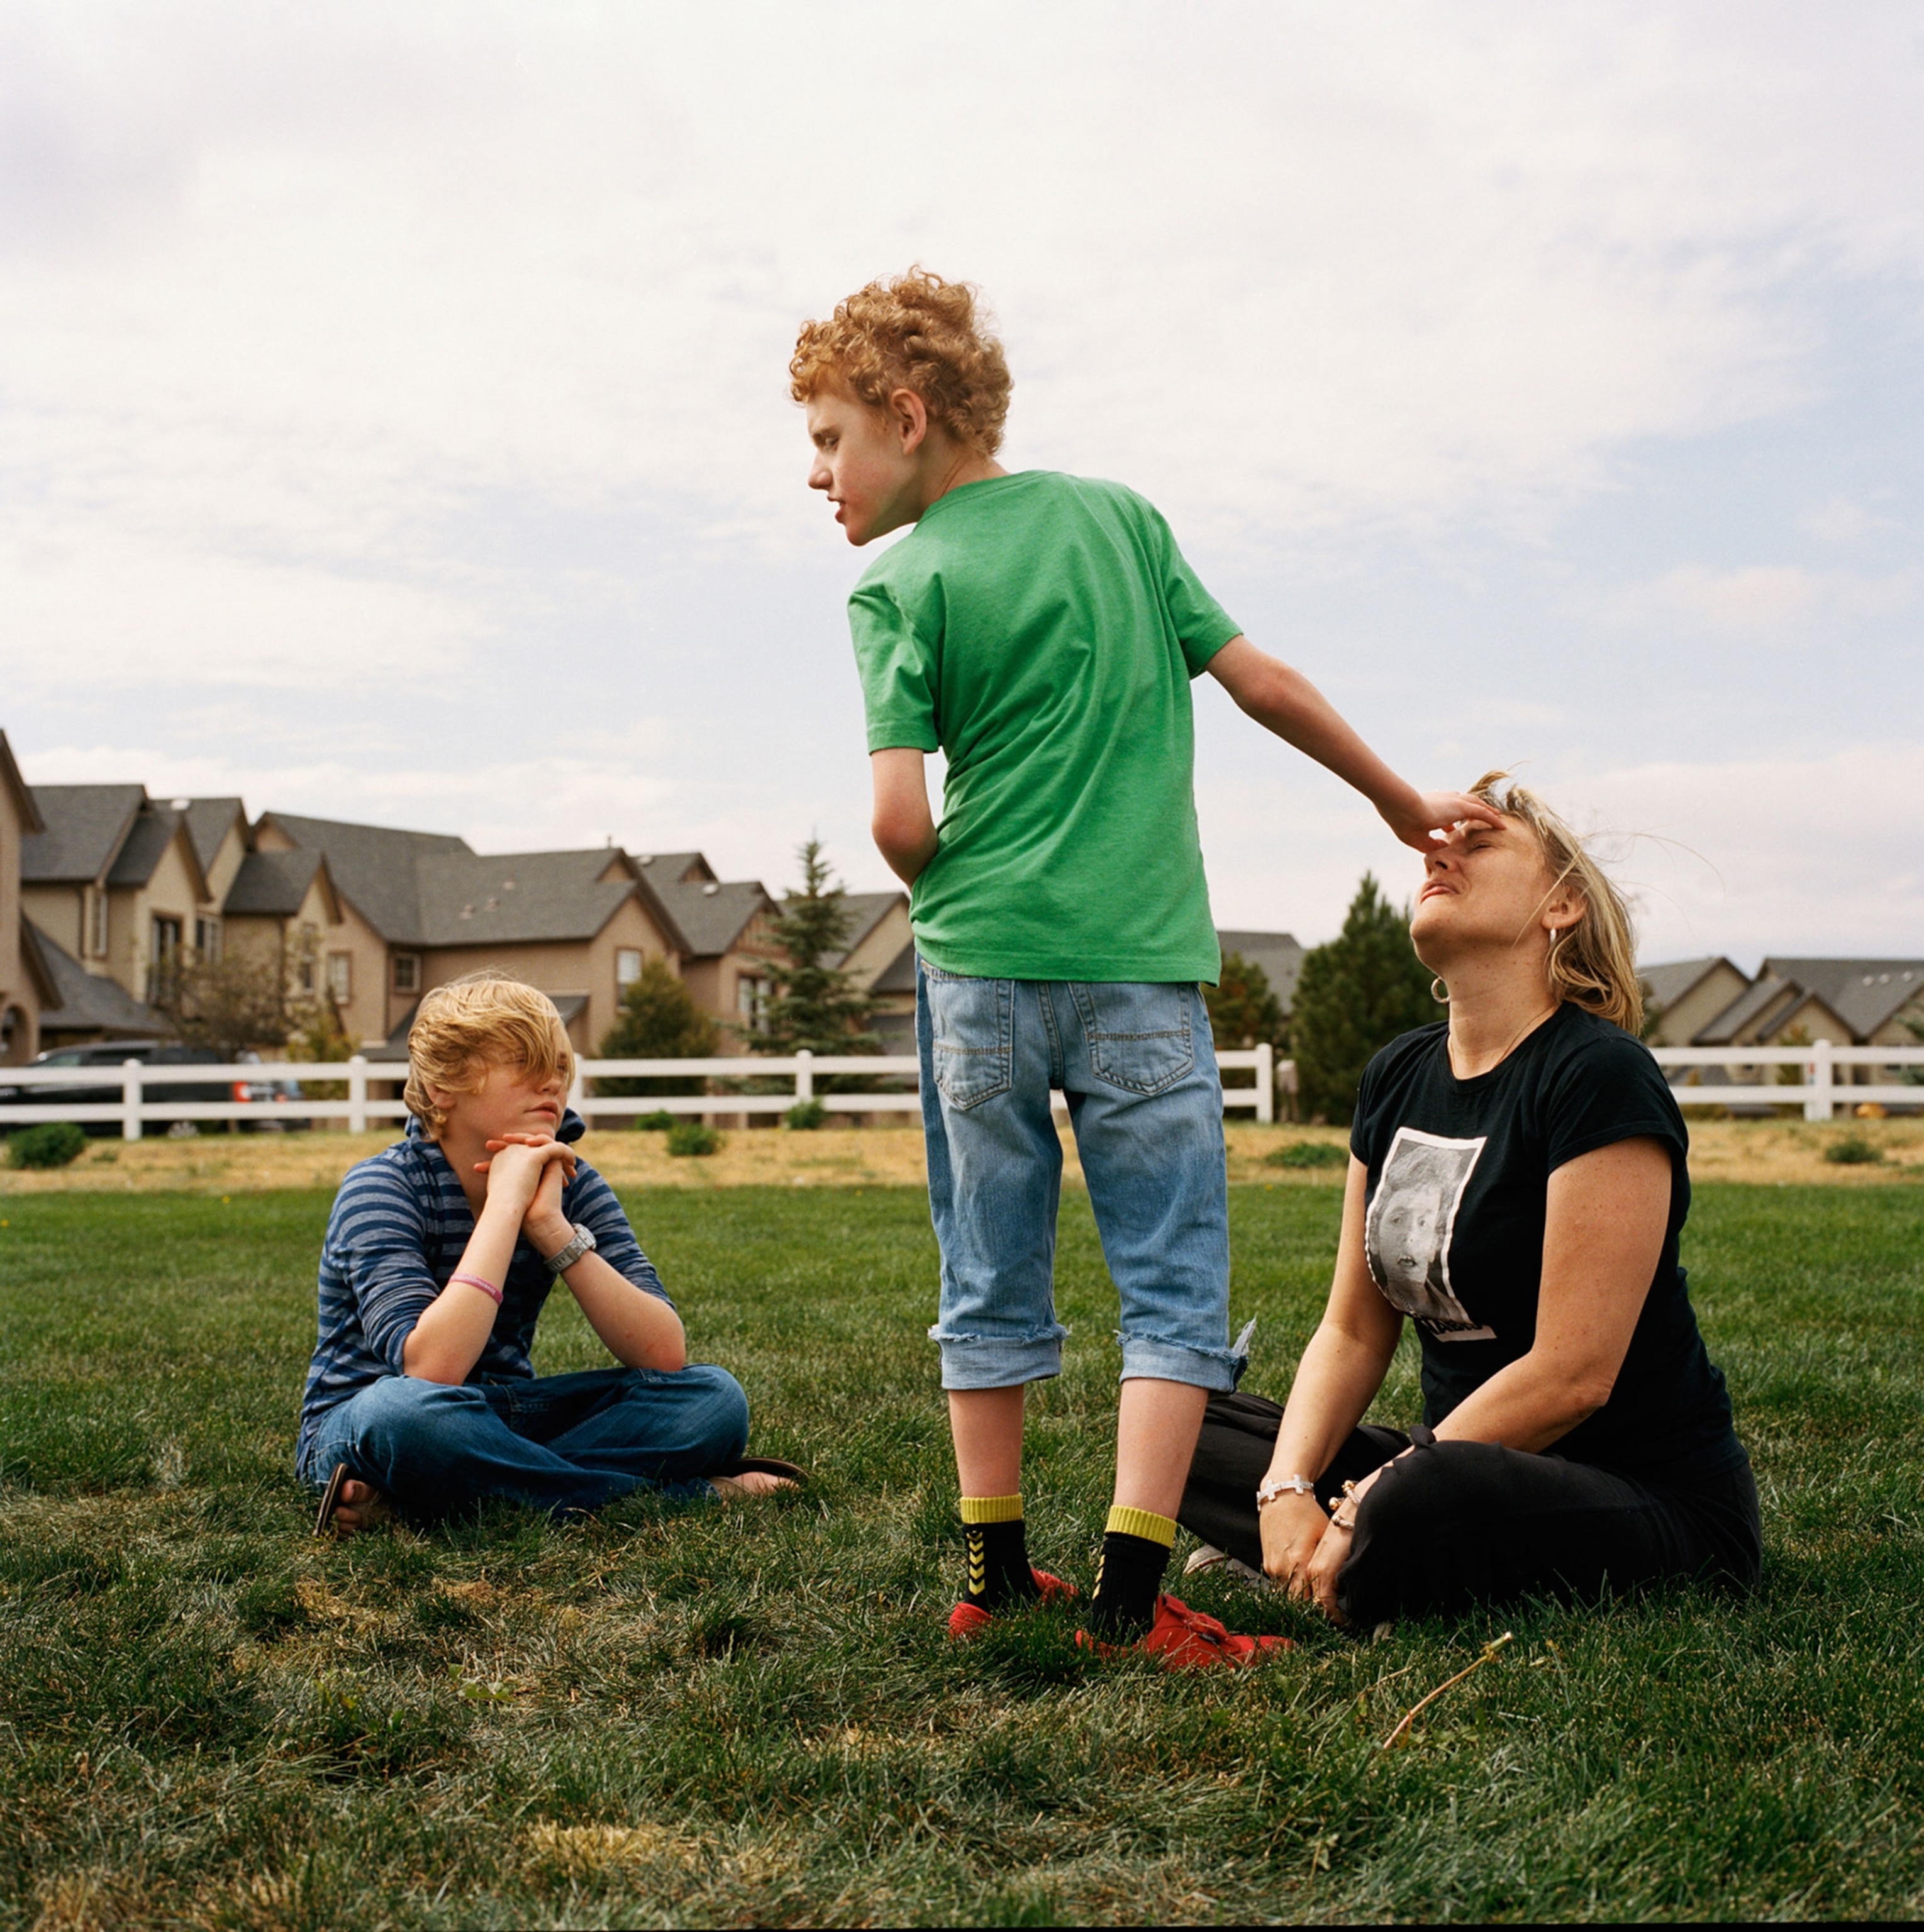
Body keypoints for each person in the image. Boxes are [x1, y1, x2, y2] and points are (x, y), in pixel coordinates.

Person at [790, 267, 1498, 1667]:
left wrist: (964, 908)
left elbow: (891, 819)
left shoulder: (899, 584)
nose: (814, 472)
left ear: (905, 413)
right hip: (1134, 977)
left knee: (984, 1272)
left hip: (975, 978)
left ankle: (994, 1575)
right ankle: (1126, 1601)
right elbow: (1259, 683)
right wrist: (1391, 800)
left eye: (825, 437)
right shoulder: (1117, 522)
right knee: (1168, 1283)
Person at [1179, 774, 1762, 1628]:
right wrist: (1284, 1486)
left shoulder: (1595, 1076)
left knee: (1426, 1494)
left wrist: (1359, 1499)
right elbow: (1348, 1329)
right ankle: (1340, 1557)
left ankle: (1355, 1553)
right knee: (1172, 1416)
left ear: (1559, 906)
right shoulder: (1396, 1075)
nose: (1436, 851)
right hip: (1444, 1468)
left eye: (1477, 843)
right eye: (1434, 845)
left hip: (1638, 1497)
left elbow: (1571, 1378)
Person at [297, 974, 798, 1531]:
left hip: (501, 1416)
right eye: (523, 1062)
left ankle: (431, 1504)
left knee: (713, 1400)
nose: (551, 1084)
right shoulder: (381, 1187)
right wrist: (505, 1206)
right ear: (444, 1087)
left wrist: (551, 1227)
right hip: (366, 1425)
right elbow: (432, 1369)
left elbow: (662, 1354)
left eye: (559, 1066)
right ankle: (680, 1501)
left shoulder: (571, 1185)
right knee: (404, 1417)